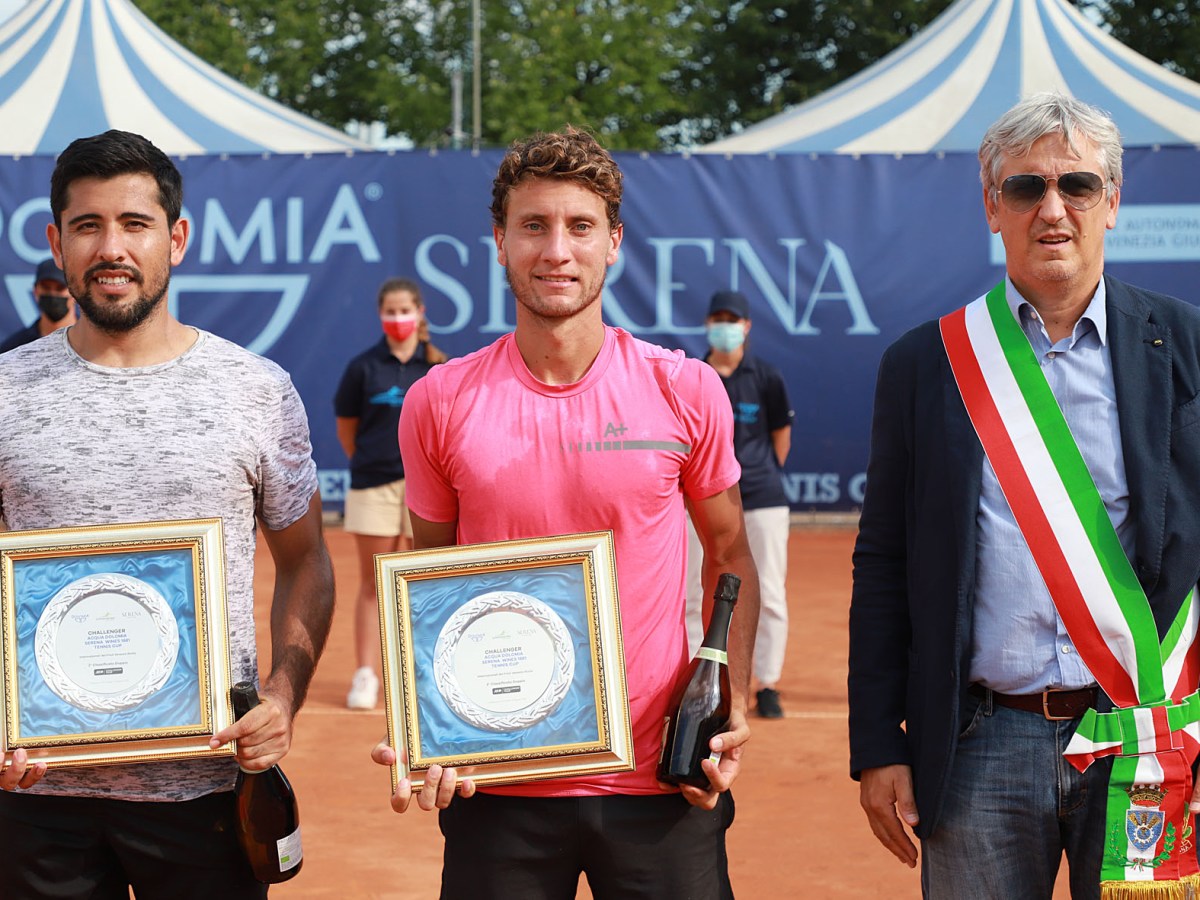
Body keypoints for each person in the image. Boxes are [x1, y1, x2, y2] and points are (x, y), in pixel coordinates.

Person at [371, 127, 761, 899]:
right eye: (534, 226)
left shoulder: (684, 389)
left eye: (581, 227)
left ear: (614, 242)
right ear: (499, 241)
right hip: (501, 784)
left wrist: (730, 699)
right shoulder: (438, 402)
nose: (557, 250)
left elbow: (730, 553)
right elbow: (431, 581)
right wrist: (429, 726)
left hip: (657, 780)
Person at [848, 92, 1200, 899]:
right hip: (979, 743)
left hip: (1144, 737)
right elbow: (884, 561)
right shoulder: (925, 364)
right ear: (991, 207)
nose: (1053, 209)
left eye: (1077, 185)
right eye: (1024, 188)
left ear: (1112, 202)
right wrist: (877, 742)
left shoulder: (1186, 346)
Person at [0, 129, 335, 897]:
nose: (111, 247)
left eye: (135, 224)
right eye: (88, 226)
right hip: (36, 790)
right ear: (57, 242)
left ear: (175, 239)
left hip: (208, 794)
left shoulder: (256, 389)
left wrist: (281, 696)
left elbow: (306, 561)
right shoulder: (5, 390)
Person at [334, 277, 447, 710]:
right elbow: (348, 430)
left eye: (406, 311)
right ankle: (366, 675)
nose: (398, 319)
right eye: (391, 311)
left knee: (426, 583)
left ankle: (426, 675)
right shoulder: (362, 368)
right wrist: (376, 462)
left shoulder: (438, 367)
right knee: (372, 583)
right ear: (381, 315)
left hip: (428, 487)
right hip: (373, 484)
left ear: (419, 313)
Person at [686, 289, 793, 719]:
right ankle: (696, 678)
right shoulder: (693, 376)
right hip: (701, 501)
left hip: (762, 498)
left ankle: (767, 683)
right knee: (696, 591)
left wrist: (755, 477)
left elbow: (779, 438)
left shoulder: (766, 376)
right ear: (708, 324)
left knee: (768, 590)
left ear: (746, 326)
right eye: (718, 318)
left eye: (733, 319)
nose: (725, 326)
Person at [0, 256, 76, 352]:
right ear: (35, 291)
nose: (52, 294)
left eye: (59, 288)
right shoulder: (13, 349)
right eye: (46, 287)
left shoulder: (93, 341)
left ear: (74, 292)